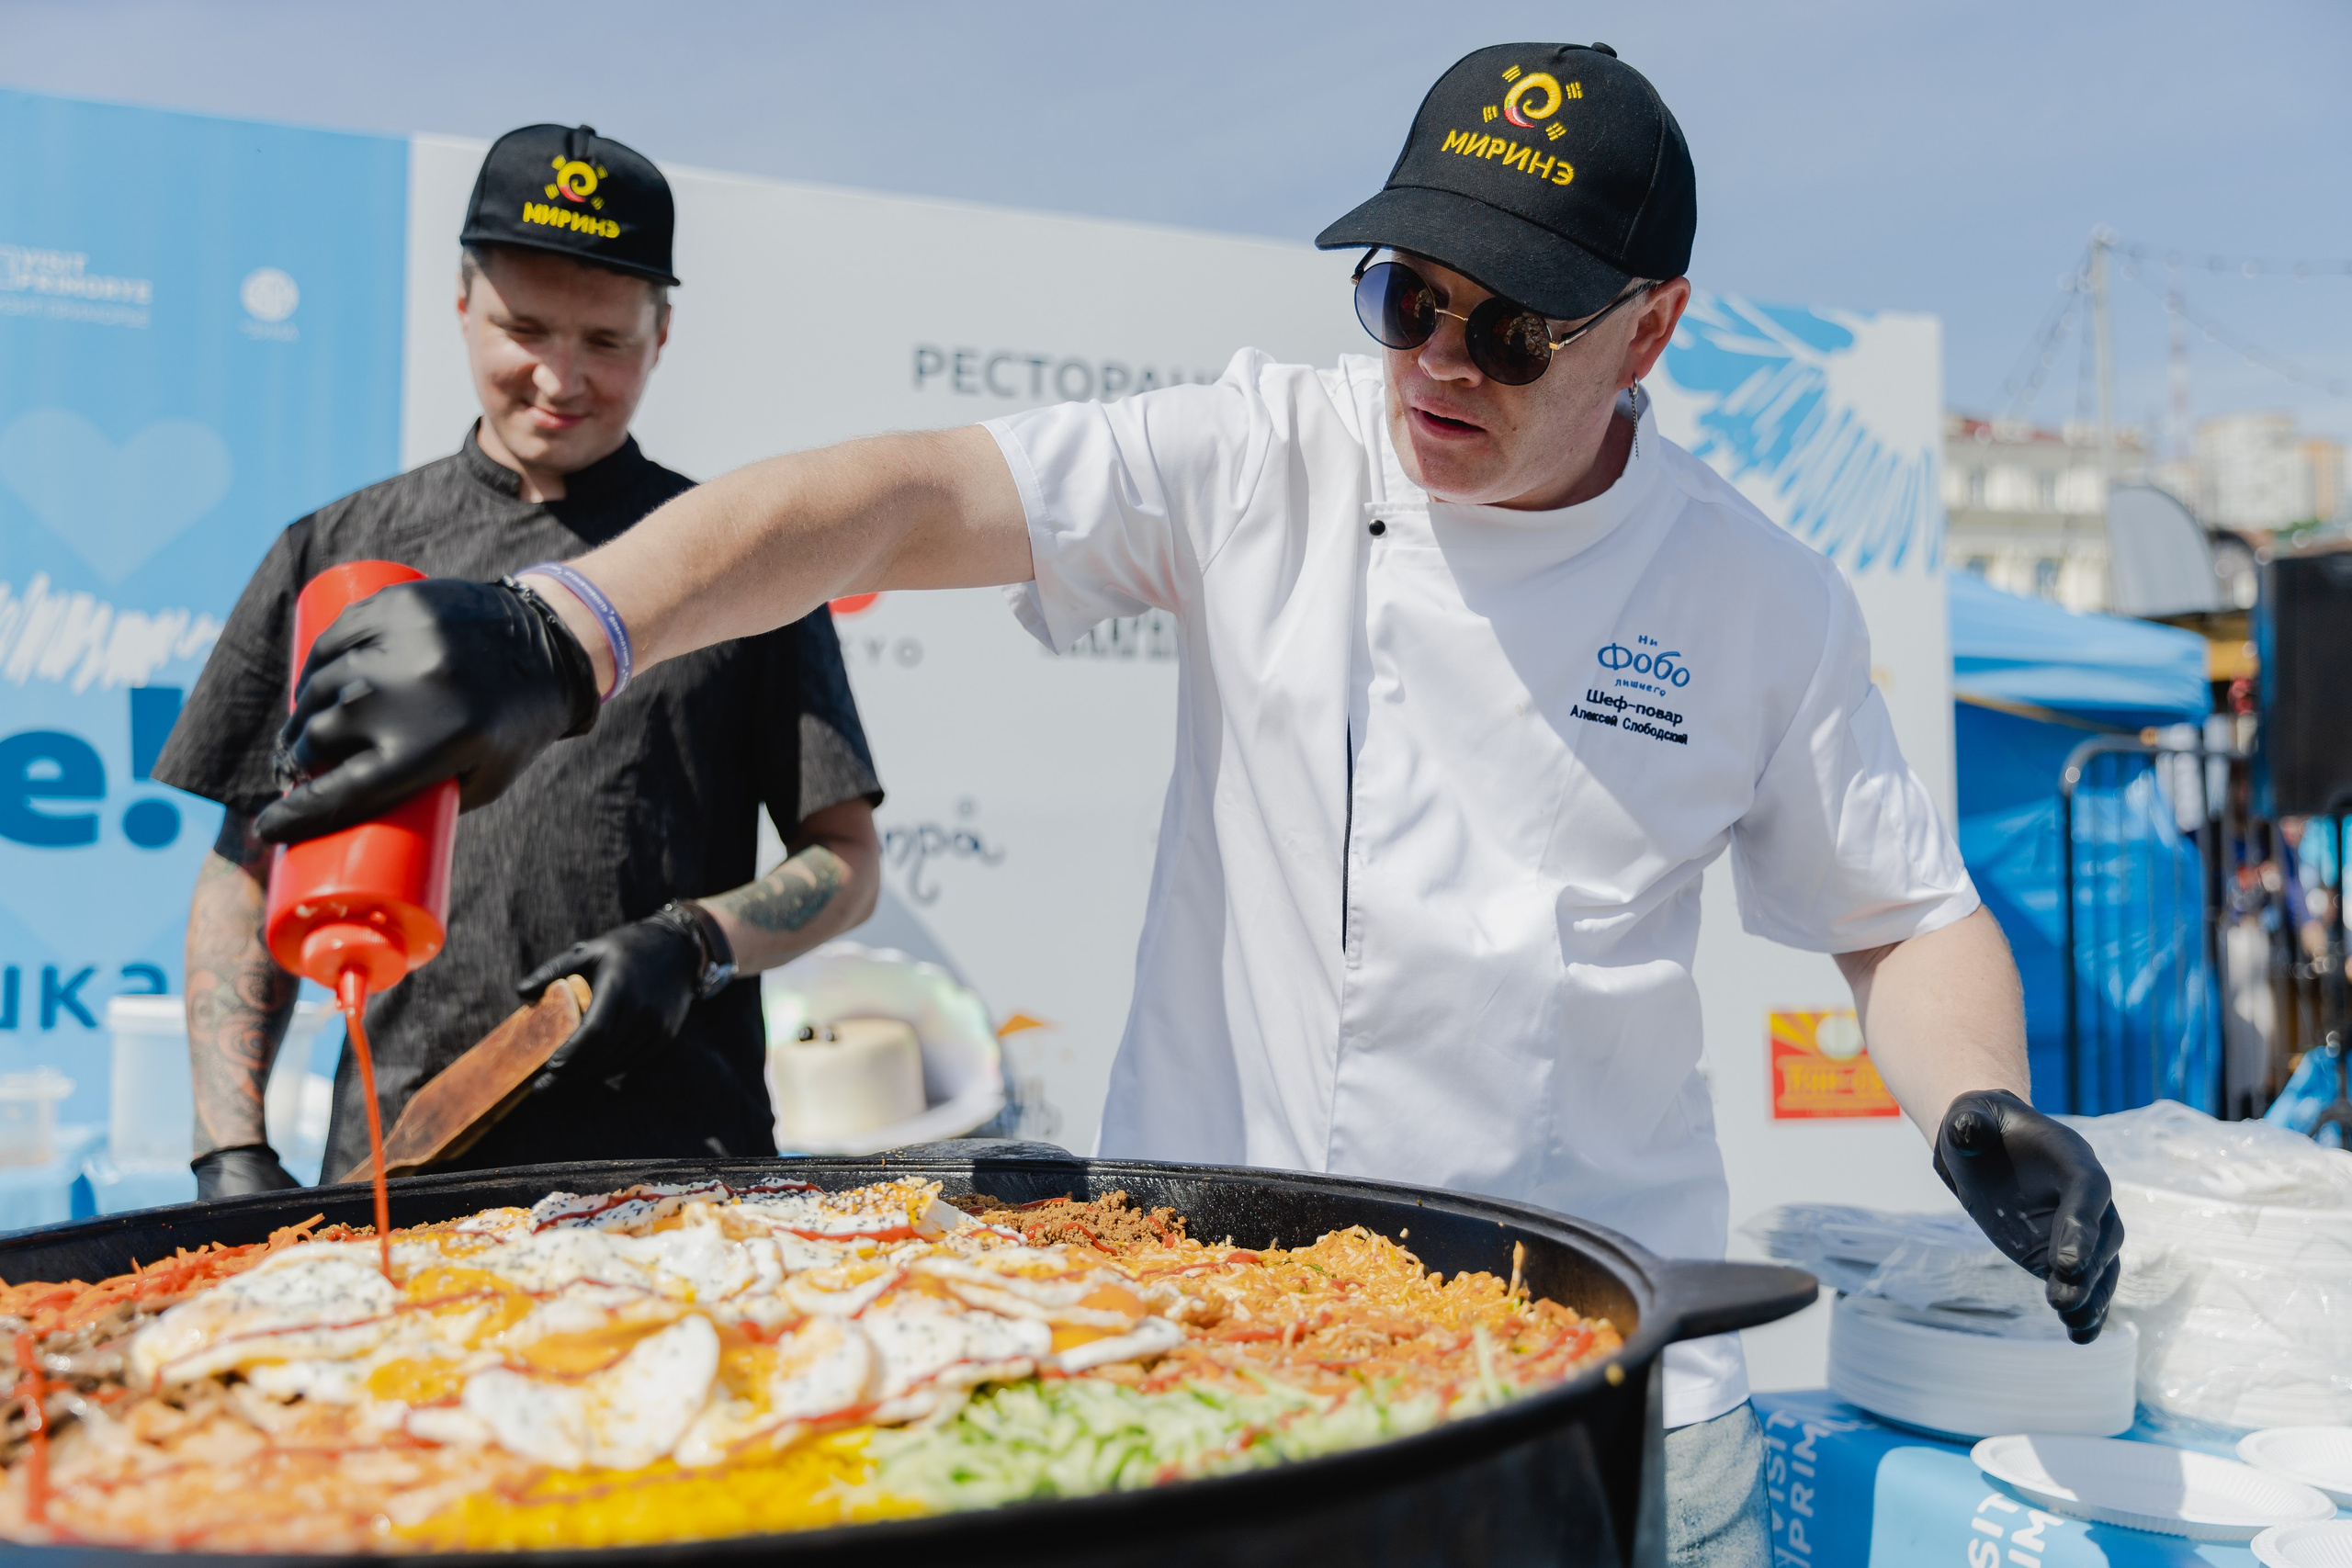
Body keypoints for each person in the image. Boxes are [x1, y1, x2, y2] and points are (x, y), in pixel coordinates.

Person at [252, 51, 2123, 1567]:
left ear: (1646, 332)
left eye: (1512, 333)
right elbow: (891, 498)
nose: (1437, 367)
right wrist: (570, 625)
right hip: (1200, 1326)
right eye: (1407, 298)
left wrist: (1975, 1098)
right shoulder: (1265, 452)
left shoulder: (1755, 592)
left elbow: (1899, 911)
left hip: (1565, 1352)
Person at [155, 125, 884, 1195]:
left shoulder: (735, 562)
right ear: (462, 303)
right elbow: (245, 862)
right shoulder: (339, 552)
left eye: (607, 340)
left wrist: (695, 943)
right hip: (399, 1162)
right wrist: (229, 1146)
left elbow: (845, 862)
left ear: (663, 332)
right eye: (524, 327)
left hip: (684, 1171)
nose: (560, 377)